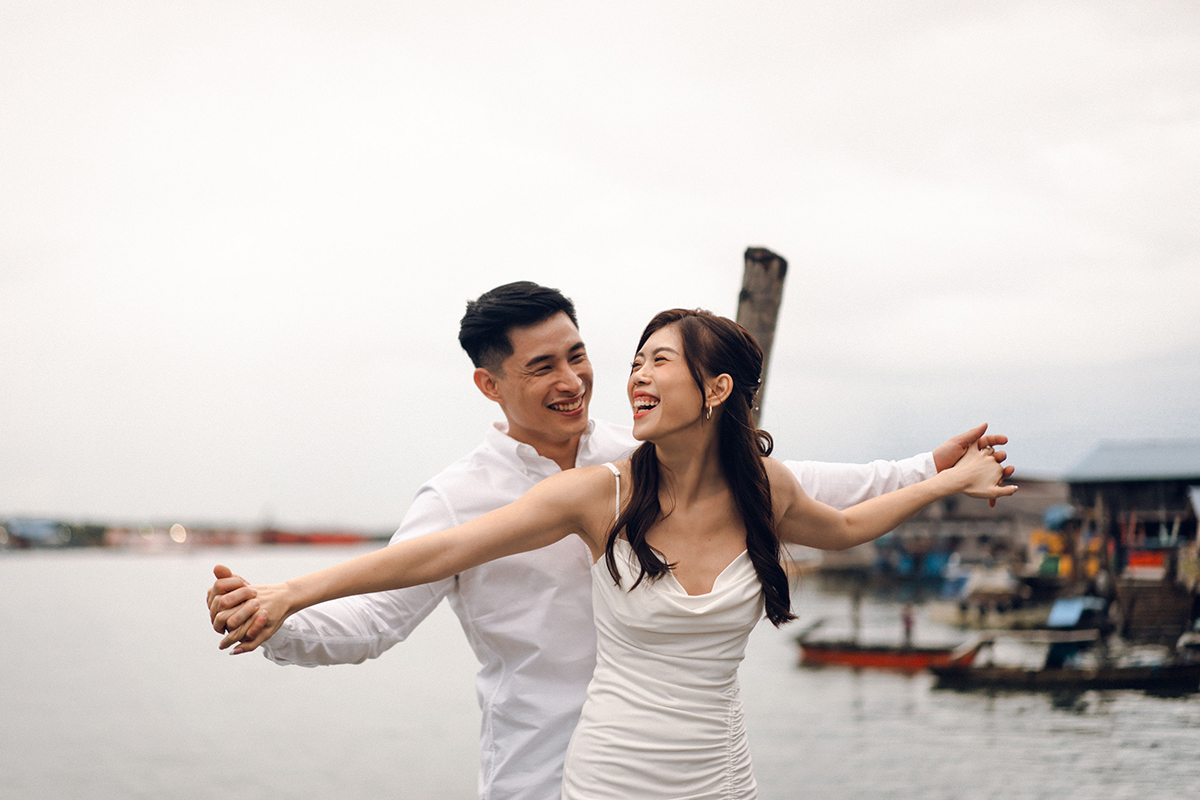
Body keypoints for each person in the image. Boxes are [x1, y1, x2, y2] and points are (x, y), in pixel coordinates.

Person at [209, 283, 1011, 800]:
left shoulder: (640, 459)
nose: (576, 380)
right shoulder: (471, 497)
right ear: (490, 385)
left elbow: (812, 498)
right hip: (543, 773)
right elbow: (386, 600)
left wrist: (926, 470)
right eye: (542, 367)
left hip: (699, 767)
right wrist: (281, 614)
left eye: (580, 355)